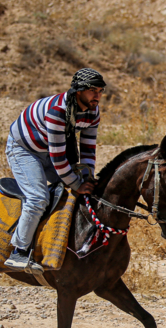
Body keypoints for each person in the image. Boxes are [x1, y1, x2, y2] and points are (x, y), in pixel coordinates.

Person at [4, 68, 104, 272]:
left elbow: (88, 149)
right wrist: (77, 184)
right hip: (24, 149)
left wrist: (88, 177)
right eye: (93, 90)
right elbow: (58, 159)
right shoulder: (57, 111)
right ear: (78, 91)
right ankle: (18, 252)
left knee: (77, 184)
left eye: (101, 90)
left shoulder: (93, 112)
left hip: (48, 149)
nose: (98, 95)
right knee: (38, 198)